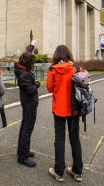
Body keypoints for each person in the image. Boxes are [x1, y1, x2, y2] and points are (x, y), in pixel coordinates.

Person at [47, 45, 83, 183]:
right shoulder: (76, 68)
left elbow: (50, 88)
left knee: (60, 138)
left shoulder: (53, 69)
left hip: (59, 110)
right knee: (75, 139)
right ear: (68, 54)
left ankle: (58, 171)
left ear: (56, 55)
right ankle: (77, 171)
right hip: (74, 109)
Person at [14, 51, 40, 167]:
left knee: (25, 126)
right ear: (29, 63)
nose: (34, 64)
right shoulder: (25, 74)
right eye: (32, 62)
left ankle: (23, 150)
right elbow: (30, 90)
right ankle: (22, 156)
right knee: (27, 128)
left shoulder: (22, 71)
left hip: (27, 103)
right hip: (29, 104)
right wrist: (37, 84)